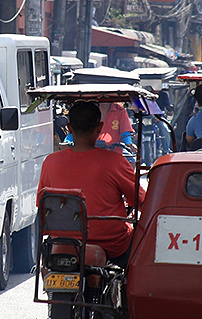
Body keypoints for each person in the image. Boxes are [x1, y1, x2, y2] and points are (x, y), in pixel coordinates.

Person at [37, 101, 146, 268]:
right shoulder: (115, 162)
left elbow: (42, 203)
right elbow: (140, 201)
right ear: (100, 127)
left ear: (69, 128)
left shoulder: (50, 162)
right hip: (112, 244)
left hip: (62, 242)